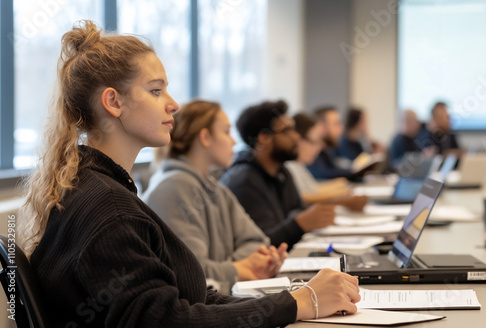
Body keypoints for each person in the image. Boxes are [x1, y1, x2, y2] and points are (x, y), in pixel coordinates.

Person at [18, 21, 360, 327]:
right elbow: (165, 319)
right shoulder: (110, 206)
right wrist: (296, 303)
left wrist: (292, 303)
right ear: (114, 102)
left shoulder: (99, 187)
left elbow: (187, 301)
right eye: (155, 90)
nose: (173, 104)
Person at [142, 100, 287, 294]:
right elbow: (192, 273)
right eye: (226, 132)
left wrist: (249, 265)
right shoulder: (172, 188)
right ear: (205, 137)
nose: (234, 142)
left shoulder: (215, 188)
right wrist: (242, 268)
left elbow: (258, 241)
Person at [220, 100, 337, 249]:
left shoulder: (282, 171)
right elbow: (260, 244)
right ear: (264, 138)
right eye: (287, 131)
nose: (296, 137)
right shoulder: (244, 181)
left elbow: (297, 210)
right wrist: (300, 224)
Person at [286, 113, 368, 211]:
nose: (319, 147)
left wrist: (341, 186)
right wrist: (342, 198)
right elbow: (304, 198)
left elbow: (314, 189)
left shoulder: (299, 166)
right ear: (298, 141)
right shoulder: (289, 167)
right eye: (314, 142)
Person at [307, 106, 358, 181]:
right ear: (321, 127)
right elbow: (322, 174)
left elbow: (332, 169)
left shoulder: (327, 151)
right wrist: (353, 171)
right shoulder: (312, 153)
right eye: (336, 124)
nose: (341, 129)